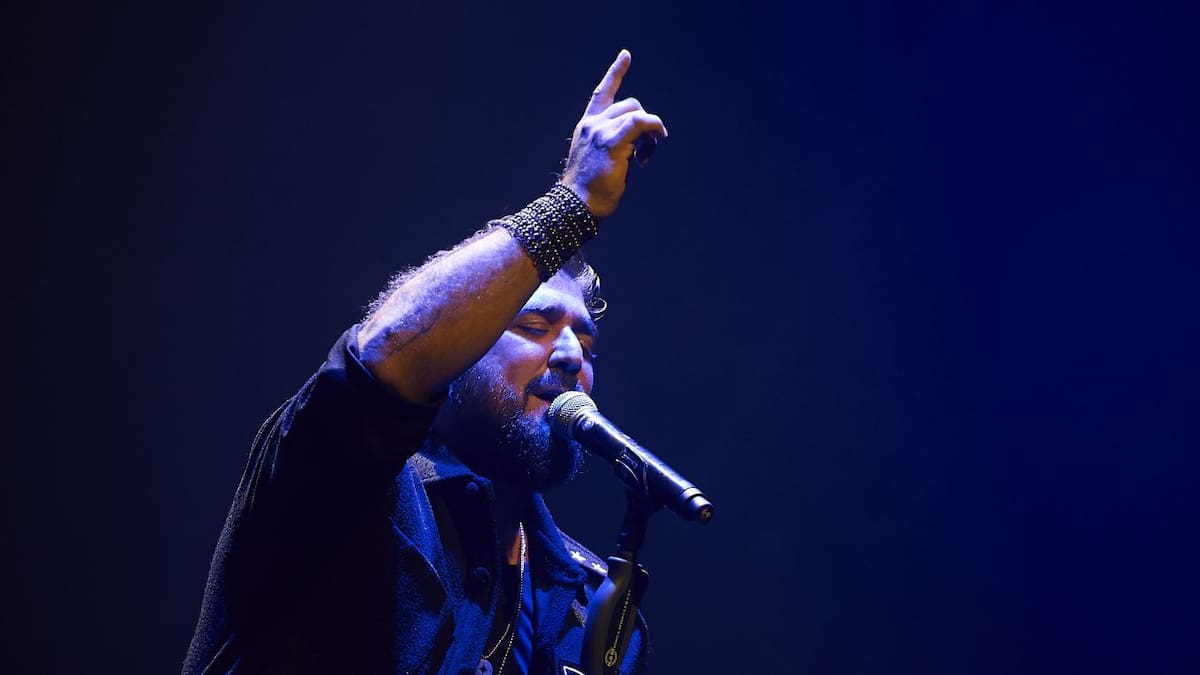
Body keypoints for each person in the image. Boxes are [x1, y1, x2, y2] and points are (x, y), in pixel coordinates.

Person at [184, 49, 668, 675]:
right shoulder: (350, 478)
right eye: (534, 326)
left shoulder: (591, 606)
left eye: (586, 341)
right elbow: (383, 358)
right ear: (457, 347)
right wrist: (571, 205)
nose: (573, 355)